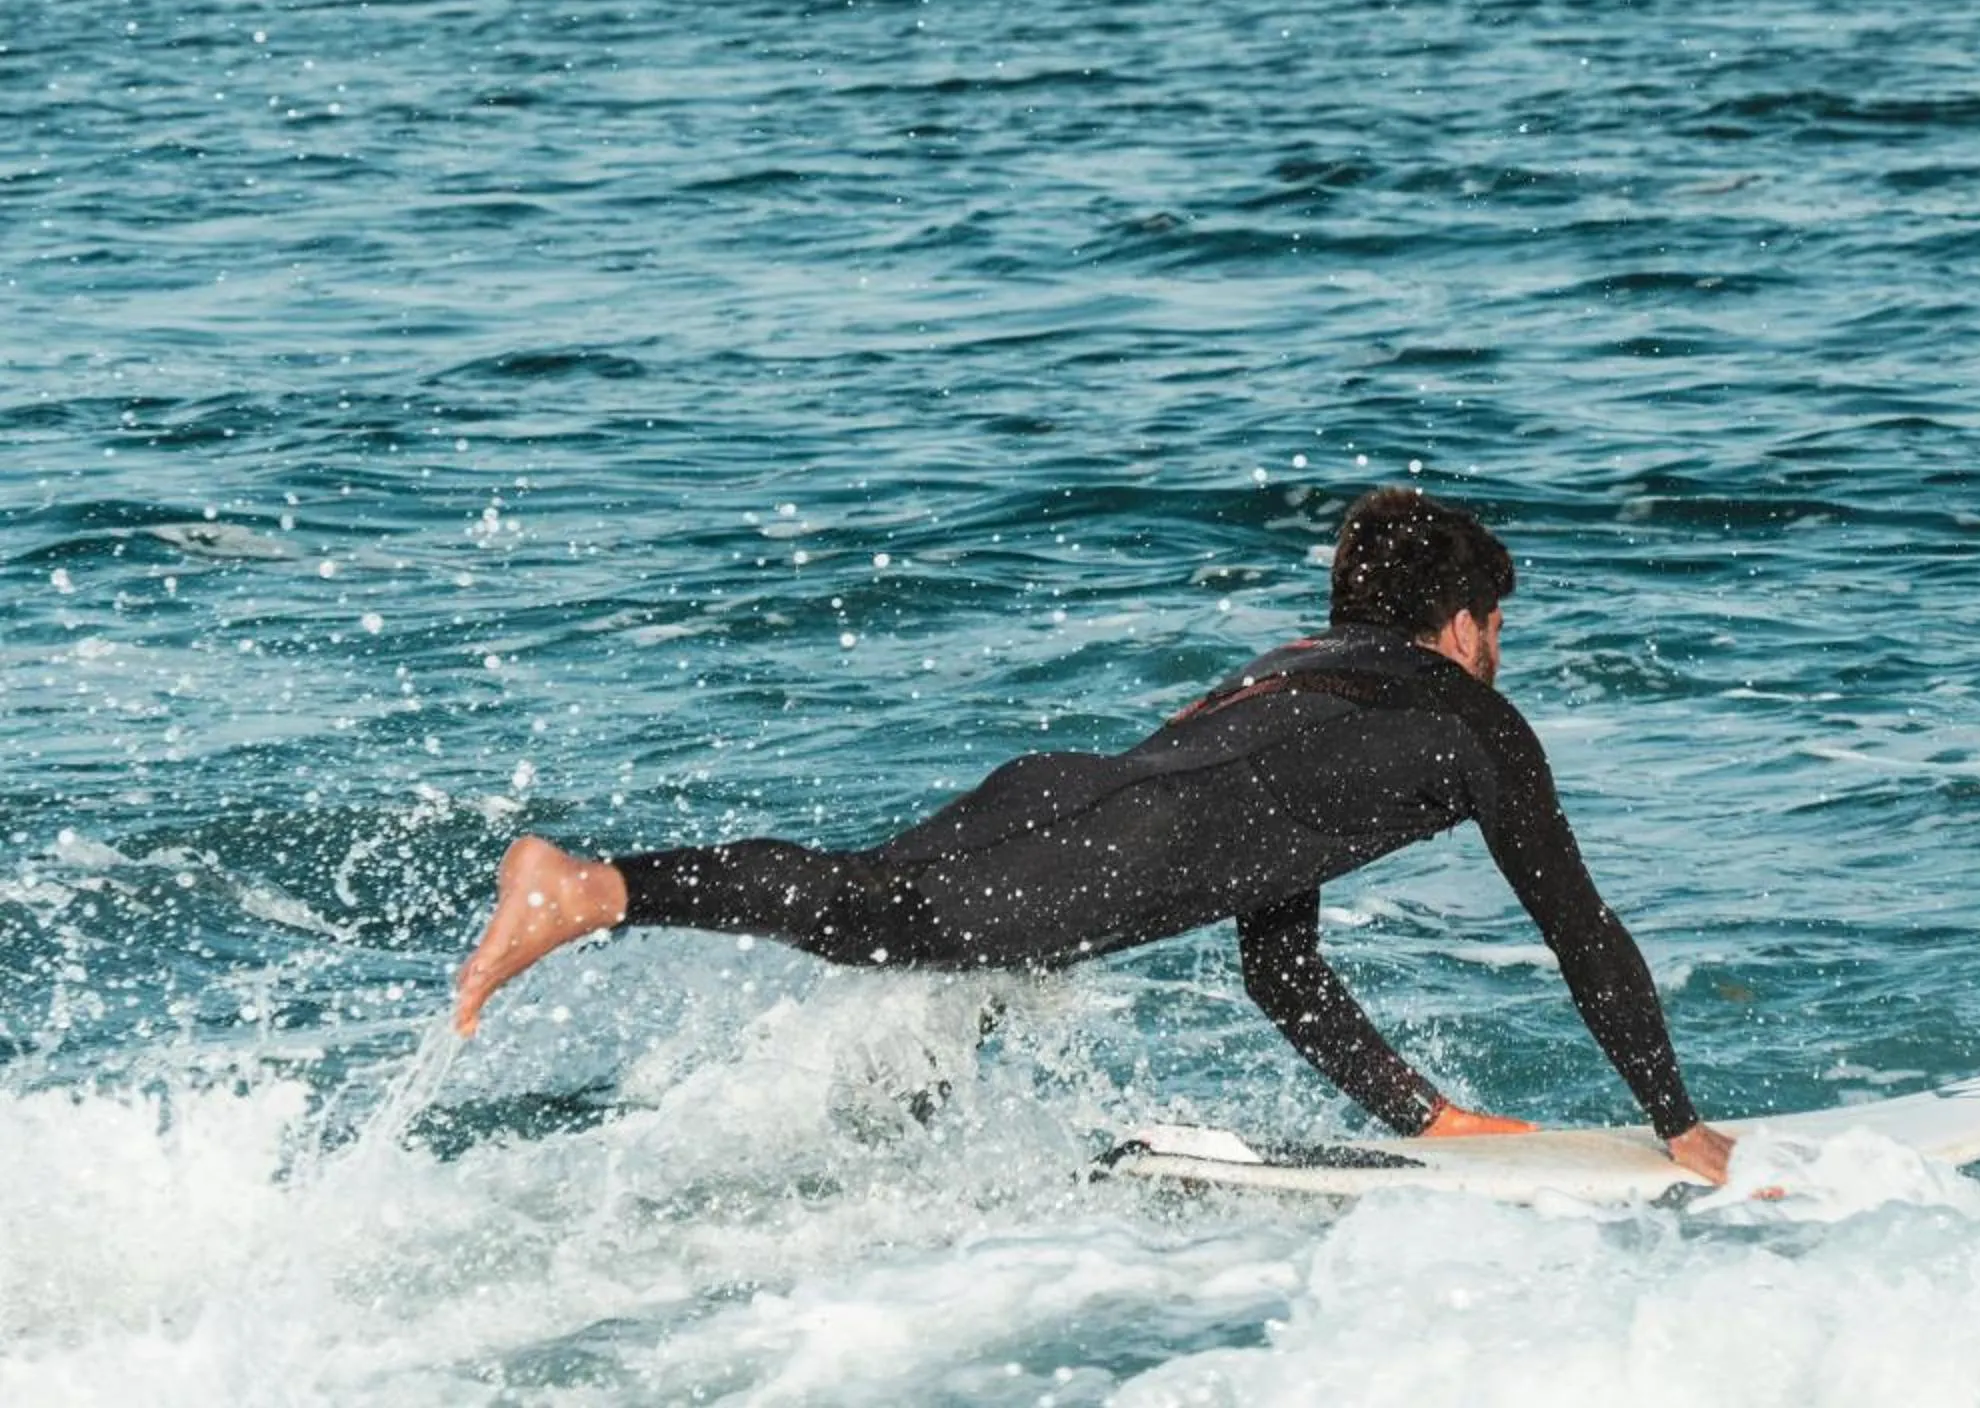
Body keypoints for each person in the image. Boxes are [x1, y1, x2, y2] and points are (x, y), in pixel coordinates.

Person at [453, 488, 1735, 1183]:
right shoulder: (1468, 723)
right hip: (1126, 838)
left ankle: (845, 1173)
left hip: (1062, 795)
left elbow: (1276, 965)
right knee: (883, 921)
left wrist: (1425, 1120)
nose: (1499, 655)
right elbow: (1584, 931)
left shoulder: (1285, 682)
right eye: (1497, 627)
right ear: (1461, 624)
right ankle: (593, 888)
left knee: (925, 956)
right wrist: (1677, 1124)